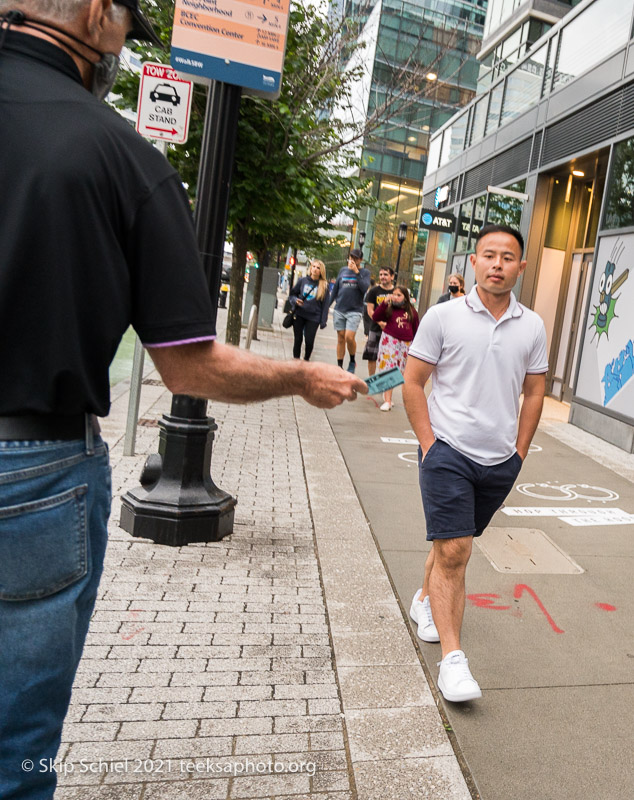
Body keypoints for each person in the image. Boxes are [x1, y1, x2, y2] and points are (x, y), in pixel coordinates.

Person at [0, 3, 367, 798]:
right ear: (97, 17)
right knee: (14, 746)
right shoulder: (117, 155)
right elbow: (190, 368)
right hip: (28, 473)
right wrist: (302, 378)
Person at [403, 224, 547, 703]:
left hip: (500, 460)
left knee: (451, 543)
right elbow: (413, 381)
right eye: (489, 255)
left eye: (508, 257)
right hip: (448, 452)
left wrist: (519, 453)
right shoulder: (443, 317)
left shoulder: (532, 325)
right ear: (473, 262)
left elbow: (534, 390)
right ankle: (453, 662)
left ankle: (424, 600)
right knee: (456, 552)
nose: (498, 264)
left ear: (521, 267)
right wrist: (429, 444)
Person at [372, 286, 419, 411]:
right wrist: (384, 303)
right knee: (389, 369)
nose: (395, 297)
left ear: (405, 297)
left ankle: (388, 394)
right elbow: (376, 317)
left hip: (405, 344)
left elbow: (416, 329)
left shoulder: (412, 311)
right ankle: (387, 400)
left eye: (399, 295)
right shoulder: (389, 309)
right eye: (394, 294)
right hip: (390, 342)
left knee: (401, 372)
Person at [329, 248, 371, 373]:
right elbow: (335, 289)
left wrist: (357, 272)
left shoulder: (365, 272)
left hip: (354, 310)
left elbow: (364, 289)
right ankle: (339, 365)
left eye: (356, 258)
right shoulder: (342, 270)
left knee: (349, 337)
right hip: (340, 308)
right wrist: (328, 306)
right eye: (351, 257)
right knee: (340, 337)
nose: (353, 259)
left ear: (360, 260)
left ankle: (352, 360)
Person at [288, 259, 329, 361]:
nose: (315, 269)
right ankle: (296, 361)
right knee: (298, 339)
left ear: (321, 271)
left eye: (318, 268)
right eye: (313, 267)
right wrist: (295, 301)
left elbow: (325, 305)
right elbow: (292, 294)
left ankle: (306, 360)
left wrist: (323, 321)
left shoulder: (323, 285)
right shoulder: (302, 281)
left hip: (313, 317)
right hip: (299, 314)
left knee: (309, 341)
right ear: (310, 269)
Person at [362, 266, 395, 376]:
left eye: (385, 274)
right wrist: (380, 323)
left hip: (391, 330)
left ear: (392, 276)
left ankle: (384, 380)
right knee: (372, 356)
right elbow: (370, 310)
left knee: (389, 357)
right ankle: (372, 380)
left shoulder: (396, 292)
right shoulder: (373, 291)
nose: (382, 277)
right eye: (381, 274)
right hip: (375, 328)